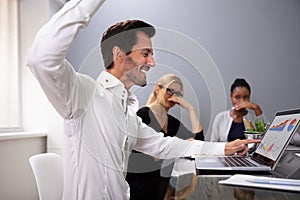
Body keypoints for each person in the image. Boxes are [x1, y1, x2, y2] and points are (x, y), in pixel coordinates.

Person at [26, 0, 260, 199]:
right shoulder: (83, 92)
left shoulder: (128, 113)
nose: (152, 62)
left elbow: (166, 144)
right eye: (145, 53)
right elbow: (41, 58)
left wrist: (224, 148)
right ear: (119, 55)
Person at [126, 74, 204, 199]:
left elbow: (199, 142)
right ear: (158, 89)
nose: (173, 97)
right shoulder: (143, 115)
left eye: (178, 94)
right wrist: (180, 146)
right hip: (139, 184)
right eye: (169, 91)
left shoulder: (172, 122)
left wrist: (190, 109)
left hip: (160, 183)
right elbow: (155, 155)